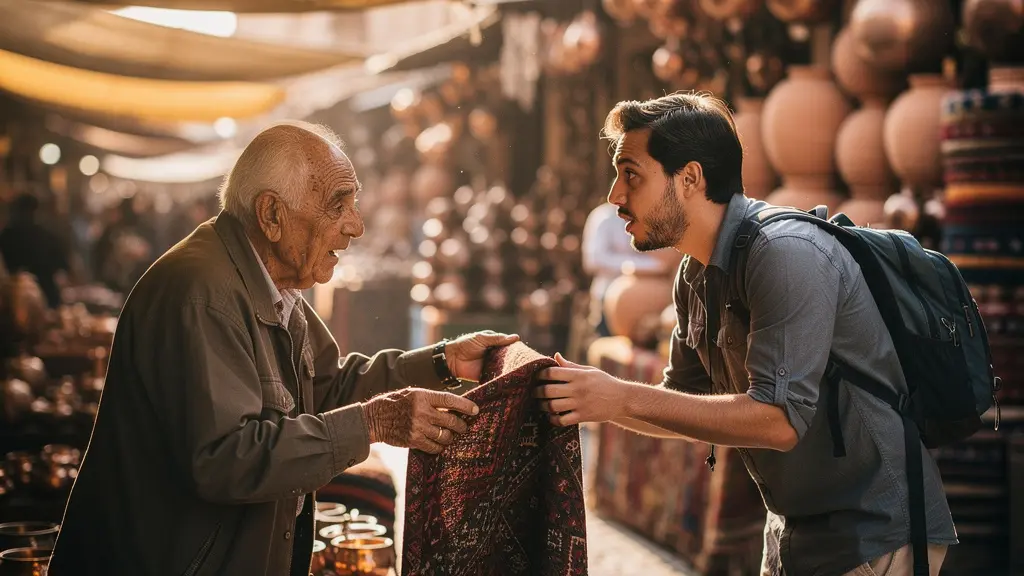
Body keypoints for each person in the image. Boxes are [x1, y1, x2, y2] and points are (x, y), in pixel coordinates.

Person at [48, 121, 518, 576]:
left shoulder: (267, 281)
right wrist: (374, 422)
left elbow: (327, 386)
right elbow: (226, 459)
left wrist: (441, 362)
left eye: (354, 203)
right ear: (271, 214)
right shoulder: (203, 294)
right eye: (338, 205)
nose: (355, 226)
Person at [535, 93, 956, 576]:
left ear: (689, 178)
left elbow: (778, 420)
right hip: (794, 531)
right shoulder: (694, 273)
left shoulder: (784, 253)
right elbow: (681, 404)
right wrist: (594, 399)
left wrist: (621, 397)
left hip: (874, 533)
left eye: (631, 174)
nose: (614, 195)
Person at [581, 202, 665, 337]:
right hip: (606, 295)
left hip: (639, 302)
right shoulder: (603, 217)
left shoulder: (644, 216)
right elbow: (594, 260)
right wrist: (634, 266)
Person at [0, 193, 69, 308]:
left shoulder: (6, 236)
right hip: (46, 297)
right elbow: (63, 266)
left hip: (16, 302)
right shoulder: (47, 236)